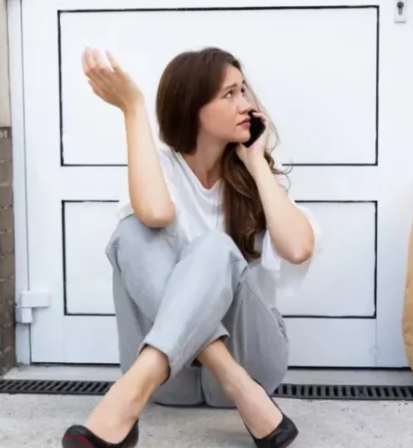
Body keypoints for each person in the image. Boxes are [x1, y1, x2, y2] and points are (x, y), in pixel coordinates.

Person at [62, 46, 320, 448]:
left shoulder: (256, 176)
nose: (246, 104)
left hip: (253, 362)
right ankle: (231, 380)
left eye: (243, 91)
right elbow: (153, 212)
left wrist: (256, 162)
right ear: (192, 108)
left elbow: (299, 248)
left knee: (215, 248)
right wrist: (133, 109)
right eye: (229, 94)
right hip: (176, 382)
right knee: (131, 232)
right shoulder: (161, 169)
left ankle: (127, 396)